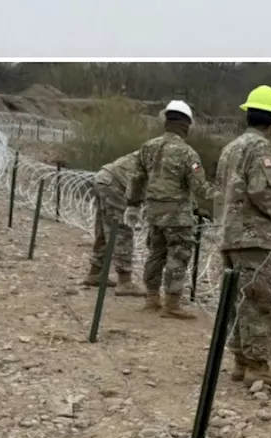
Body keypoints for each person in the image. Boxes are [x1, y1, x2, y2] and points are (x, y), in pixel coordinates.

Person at [212, 86, 271, 384]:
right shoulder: (260, 148)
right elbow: (261, 190)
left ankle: (240, 361)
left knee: (236, 300)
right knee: (260, 300)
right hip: (254, 239)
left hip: (229, 237)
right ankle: (257, 366)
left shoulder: (229, 149)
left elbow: (220, 193)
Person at [123, 100, 213, 319]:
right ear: (186, 125)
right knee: (179, 255)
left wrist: (133, 205)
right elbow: (201, 188)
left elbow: (136, 179)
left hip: (153, 211)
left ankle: (152, 297)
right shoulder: (187, 154)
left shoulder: (148, 147)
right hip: (177, 215)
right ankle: (172, 303)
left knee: (156, 253)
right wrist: (223, 201)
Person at [84, 151, 143, 296]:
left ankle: (95, 273)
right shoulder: (184, 156)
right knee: (122, 230)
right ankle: (125, 281)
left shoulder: (153, 147)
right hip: (116, 183)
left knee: (104, 230)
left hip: (103, 178)